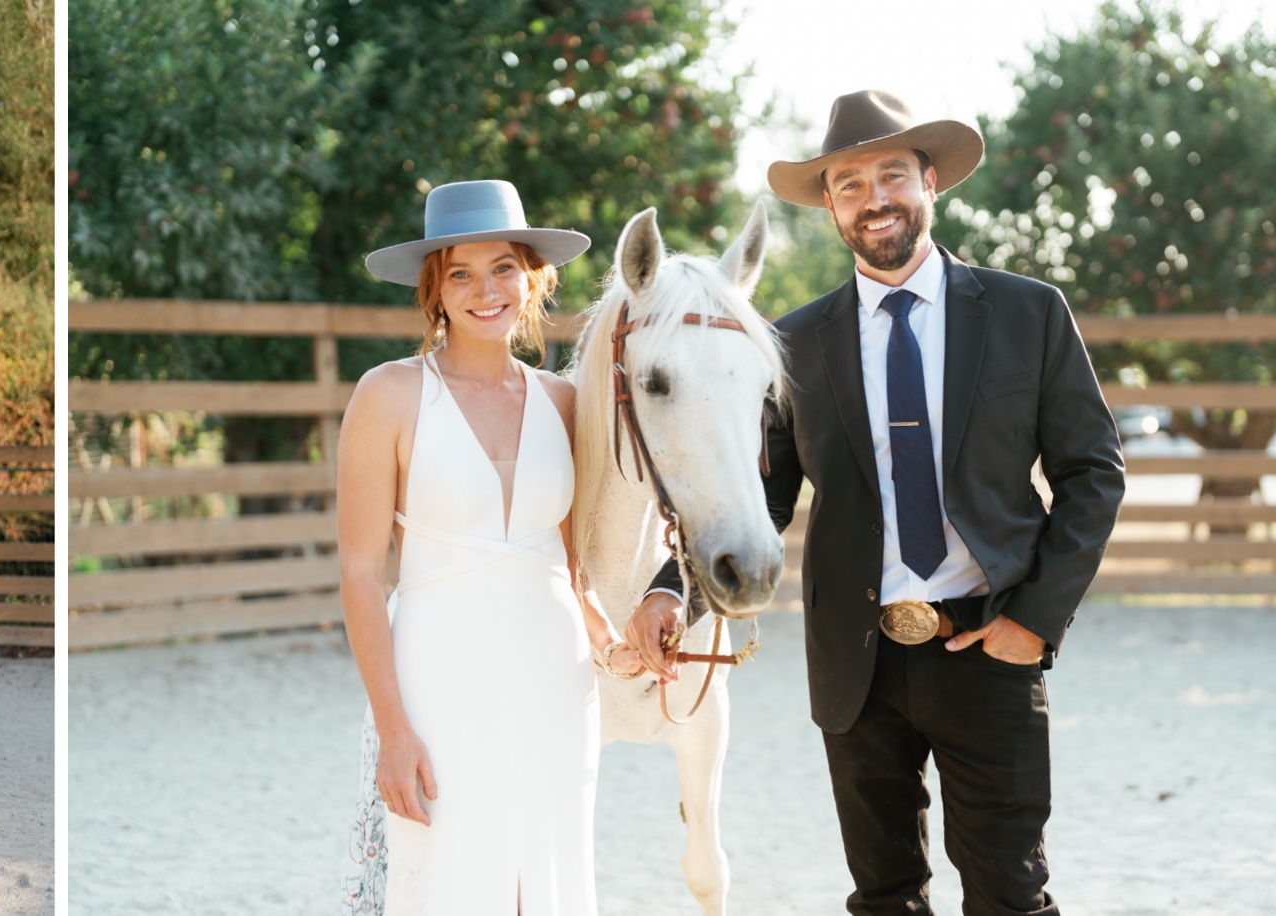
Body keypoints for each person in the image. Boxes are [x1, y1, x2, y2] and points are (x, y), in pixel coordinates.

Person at [628, 90, 1125, 914]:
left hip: (989, 643)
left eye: (892, 175)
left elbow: (1093, 473)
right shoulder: (793, 342)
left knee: (1010, 892)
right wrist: (668, 587)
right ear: (829, 204)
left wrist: (1034, 621)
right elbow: (760, 495)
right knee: (884, 897)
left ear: (930, 182)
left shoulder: (1027, 314)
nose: (874, 199)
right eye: (849, 184)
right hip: (856, 661)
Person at [336, 179, 644, 915]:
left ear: (531, 277)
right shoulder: (389, 394)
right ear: (434, 290)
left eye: (503, 266)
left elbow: (565, 563)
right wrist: (392, 729)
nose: (486, 290)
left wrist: (606, 633)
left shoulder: (564, 403)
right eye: (461, 273)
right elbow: (356, 573)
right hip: (438, 672)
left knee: (546, 874)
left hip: (553, 677)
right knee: (447, 872)